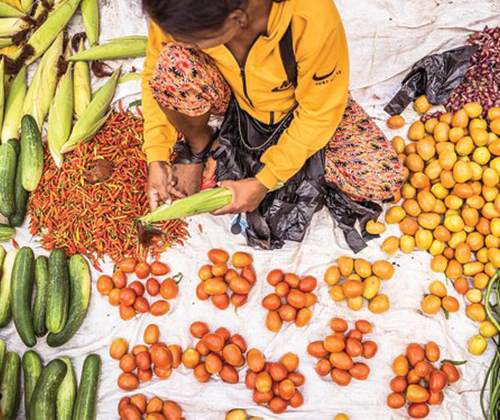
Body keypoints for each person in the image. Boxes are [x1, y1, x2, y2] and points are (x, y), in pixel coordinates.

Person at [141, 0, 404, 250]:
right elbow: (155, 68)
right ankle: (201, 144)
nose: (187, 43)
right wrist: (156, 154)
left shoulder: (309, 16)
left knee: (381, 180)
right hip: (234, 97)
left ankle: (283, 154)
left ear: (238, 18)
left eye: (196, 39)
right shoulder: (178, 5)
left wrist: (265, 180)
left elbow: (319, 112)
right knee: (173, 64)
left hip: (300, 107)